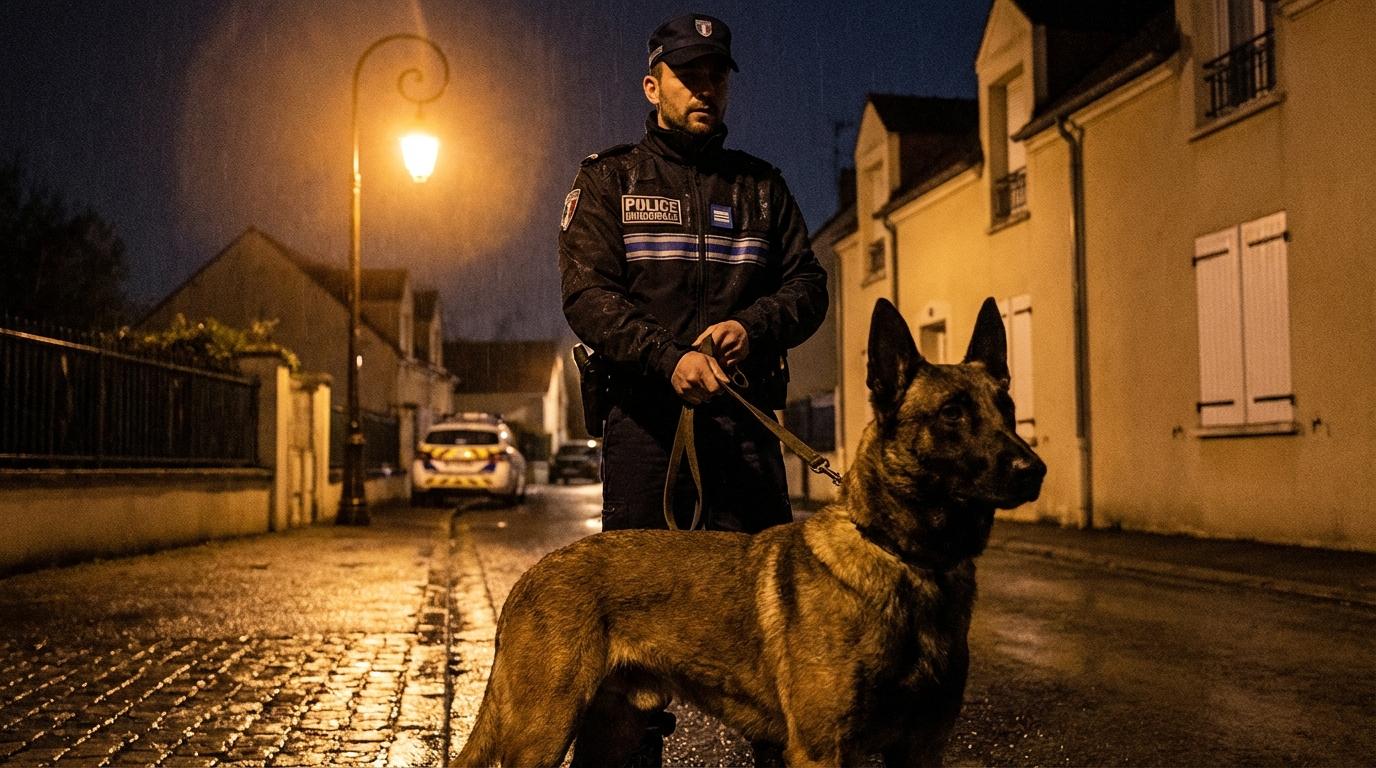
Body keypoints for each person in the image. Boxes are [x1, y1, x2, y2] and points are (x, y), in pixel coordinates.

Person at [559, 14, 827, 760]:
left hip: (743, 433)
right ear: (654, 86)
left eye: (716, 74)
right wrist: (667, 357)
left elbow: (809, 285)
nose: (706, 87)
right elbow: (588, 296)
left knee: (778, 641)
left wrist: (755, 326)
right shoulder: (609, 179)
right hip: (646, 432)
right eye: (689, 74)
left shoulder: (762, 189)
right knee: (627, 650)